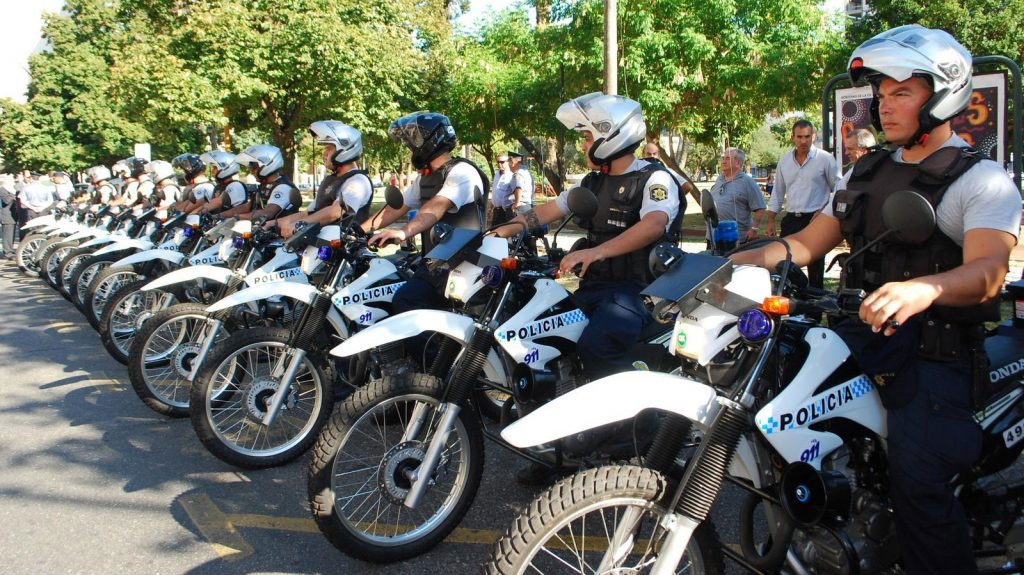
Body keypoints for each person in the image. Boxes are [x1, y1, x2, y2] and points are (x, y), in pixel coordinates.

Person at [732, 26, 1020, 575]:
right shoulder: (866, 171)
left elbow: (988, 273)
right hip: (863, 340)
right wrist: (732, 265)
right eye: (881, 95)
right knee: (776, 422)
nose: (884, 106)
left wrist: (924, 288)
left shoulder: (981, 180)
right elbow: (806, 242)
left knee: (919, 489)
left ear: (943, 96)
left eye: (902, 93)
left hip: (935, 356)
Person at [364, 111, 488, 320]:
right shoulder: (425, 179)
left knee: (407, 300)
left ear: (432, 140)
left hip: (464, 267)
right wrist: (361, 229)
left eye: (413, 142)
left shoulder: (462, 172)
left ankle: (430, 345)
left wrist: (403, 233)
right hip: (436, 264)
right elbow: (397, 207)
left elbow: (436, 207)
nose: (410, 148)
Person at [763, 119, 839, 288]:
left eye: (807, 136)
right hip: (791, 219)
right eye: (799, 137)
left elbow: (838, 188)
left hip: (815, 219)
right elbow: (778, 191)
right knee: (784, 264)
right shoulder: (784, 161)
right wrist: (771, 220)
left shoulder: (825, 159)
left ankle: (815, 304)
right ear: (793, 137)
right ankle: (788, 301)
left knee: (815, 269)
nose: (803, 141)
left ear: (814, 136)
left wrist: (824, 210)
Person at [269, 121, 373, 238]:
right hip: (319, 245)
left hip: (345, 246)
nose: (324, 154)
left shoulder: (358, 181)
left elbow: (335, 212)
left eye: (329, 149)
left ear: (345, 148)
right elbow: (307, 214)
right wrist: (270, 224)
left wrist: (298, 224)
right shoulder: (330, 180)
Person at [233, 145, 302, 221]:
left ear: (268, 164)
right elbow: (247, 207)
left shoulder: (283, 187)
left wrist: (238, 217)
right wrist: (224, 215)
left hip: (281, 228)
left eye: (254, 167)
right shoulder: (265, 186)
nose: (251, 172)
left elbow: (268, 213)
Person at [711, 147, 766, 242]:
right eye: (723, 158)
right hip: (714, 237)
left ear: (738, 163)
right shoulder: (719, 179)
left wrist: (754, 229)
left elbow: (760, 208)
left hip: (737, 238)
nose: (723, 162)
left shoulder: (747, 182)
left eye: (727, 158)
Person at [196, 150, 250, 217]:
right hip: (220, 222)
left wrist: (197, 213)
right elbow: (208, 203)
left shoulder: (235, 185)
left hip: (232, 222)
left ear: (226, 167)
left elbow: (216, 202)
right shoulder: (220, 186)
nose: (212, 171)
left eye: (215, 168)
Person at [490, 154, 516, 225]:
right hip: (496, 211)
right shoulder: (497, 174)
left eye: (502, 162)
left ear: (508, 162)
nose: (499, 164)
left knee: (505, 231)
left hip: (506, 211)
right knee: (493, 231)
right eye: (498, 162)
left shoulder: (512, 175)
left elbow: (516, 192)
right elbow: (495, 192)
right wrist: (491, 208)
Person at [0, 174, 17, 259]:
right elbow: (6, 201)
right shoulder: (2, 190)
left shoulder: (8, 190)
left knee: (11, 234)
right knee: (7, 235)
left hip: (11, 215)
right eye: (12, 180)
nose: (14, 182)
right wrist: (13, 194)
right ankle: (7, 252)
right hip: (6, 215)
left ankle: (10, 250)